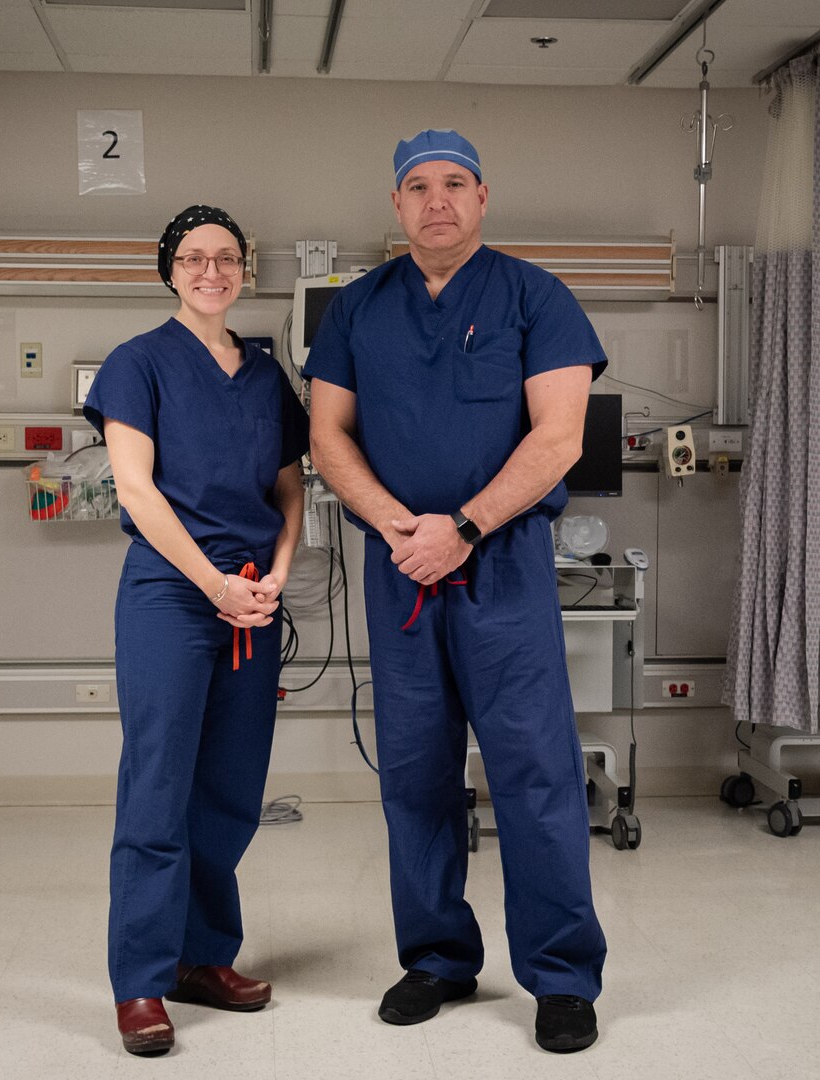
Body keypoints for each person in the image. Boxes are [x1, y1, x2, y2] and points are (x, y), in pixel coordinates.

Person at [304, 129, 608, 1053]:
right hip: (402, 569)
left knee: (534, 771)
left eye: (455, 184)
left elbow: (558, 439)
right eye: (417, 187)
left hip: (501, 566)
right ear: (396, 207)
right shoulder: (355, 310)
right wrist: (402, 528)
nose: (437, 201)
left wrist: (463, 528)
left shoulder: (535, 297)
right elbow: (329, 438)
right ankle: (437, 956)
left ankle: (560, 977)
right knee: (415, 773)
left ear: (483, 198)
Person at [83, 204, 308, 1057]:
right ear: (169, 269)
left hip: (252, 599)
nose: (209, 271)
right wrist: (213, 582)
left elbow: (290, 491)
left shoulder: (263, 376)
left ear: (245, 267)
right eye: (192, 258)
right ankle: (141, 979)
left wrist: (277, 574)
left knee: (230, 789)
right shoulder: (138, 364)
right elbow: (138, 491)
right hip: (173, 598)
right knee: (157, 786)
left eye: (224, 258)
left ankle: (203, 956)